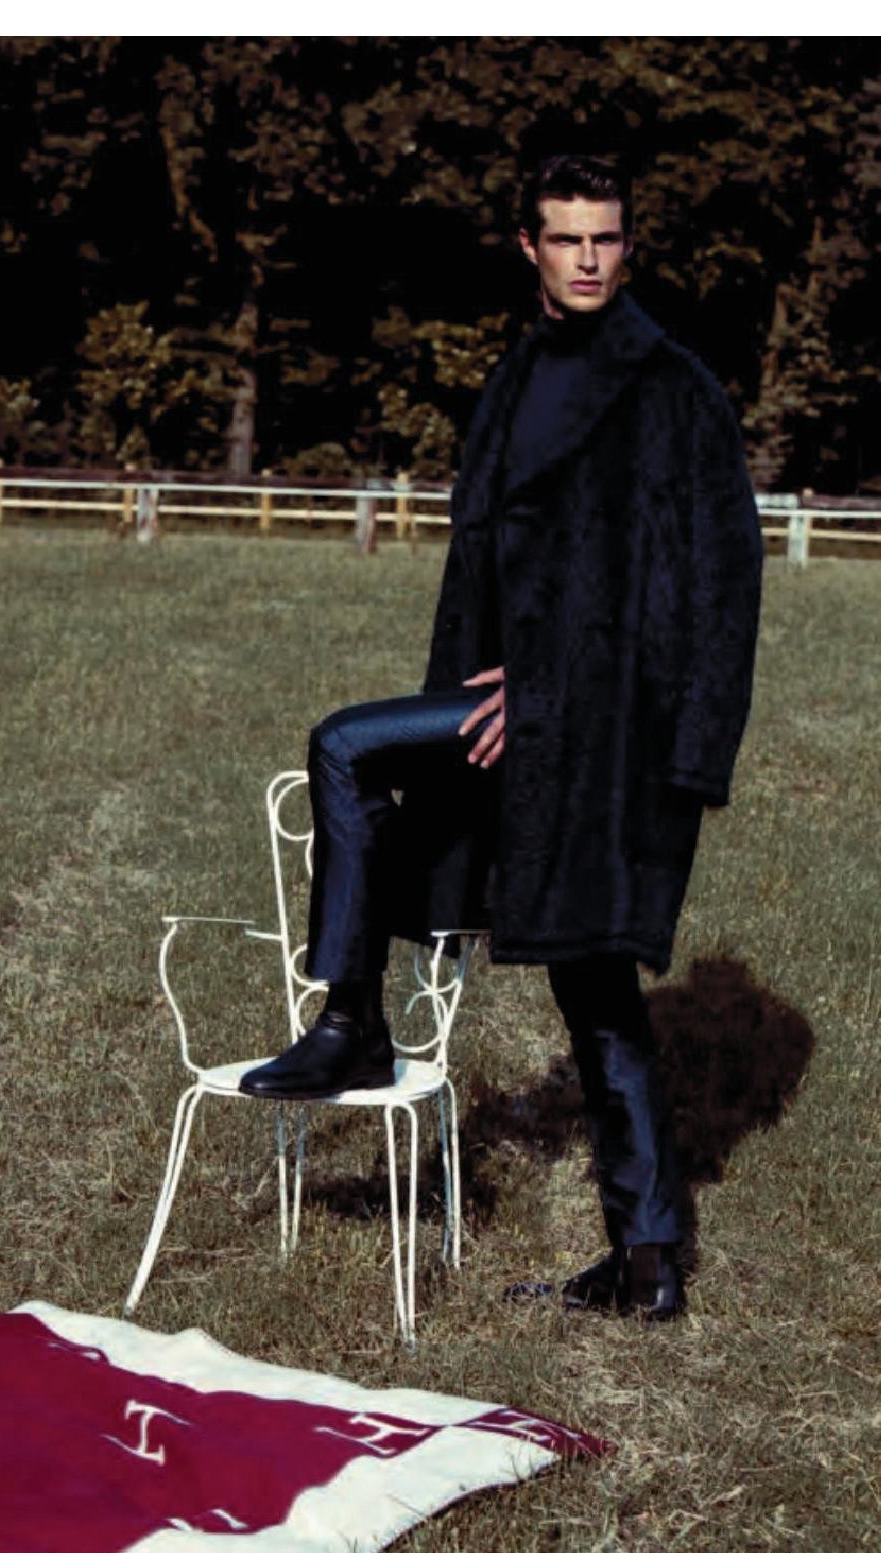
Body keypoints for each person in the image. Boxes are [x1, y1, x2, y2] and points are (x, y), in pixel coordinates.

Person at [240, 154, 765, 1323]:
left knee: (353, 752)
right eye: (567, 238)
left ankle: (353, 1024)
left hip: (605, 733)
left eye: (607, 238)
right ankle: (647, 1258)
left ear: (629, 246)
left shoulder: (672, 391)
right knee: (595, 986)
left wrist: (603, 715)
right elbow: (489, 570)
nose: (589, 259)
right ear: (528, 245)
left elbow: (708, 588)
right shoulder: (519, 374)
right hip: (510, 714)